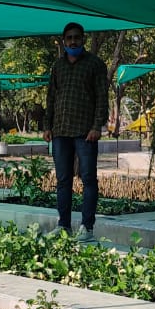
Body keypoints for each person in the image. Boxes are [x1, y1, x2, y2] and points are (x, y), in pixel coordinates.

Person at [43, 22, 108, 242]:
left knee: (88, 178)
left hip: (85, 131)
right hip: (60, 130)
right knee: (63, 180)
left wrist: (97, 126)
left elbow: (102, 97)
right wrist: (47, 125)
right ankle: (63, 226)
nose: (73, 41)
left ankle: (87, 228)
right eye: (69, 38)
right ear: (64, 41)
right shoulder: (58, 66)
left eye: (76, 37)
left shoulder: (95, 64)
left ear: (83, 39)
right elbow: (51, 97)